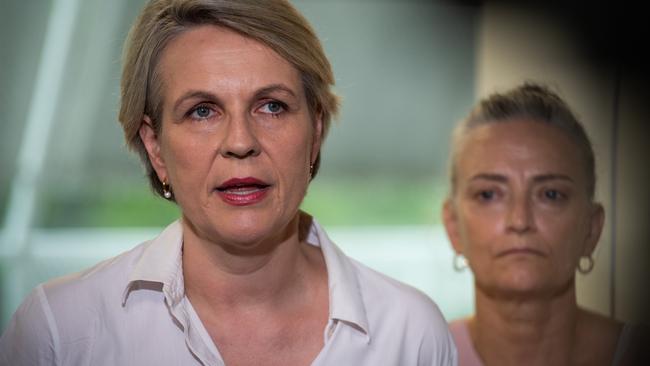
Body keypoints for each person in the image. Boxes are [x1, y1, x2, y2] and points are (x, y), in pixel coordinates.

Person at [0, 0, 456, 365]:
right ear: (155, 146)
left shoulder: (410, 334)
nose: (240, 142)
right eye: (202, 110)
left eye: (272, 106)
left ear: (315, 132)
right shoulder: (59, 332)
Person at [442, 82, 647, 366]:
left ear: (591, 228)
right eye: (489, 194)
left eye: (551, 195)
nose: (520, 220)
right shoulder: (418, 353)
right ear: (453, 227)